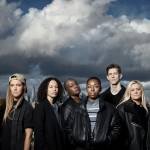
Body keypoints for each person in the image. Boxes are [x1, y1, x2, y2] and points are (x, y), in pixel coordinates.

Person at [86, 76, 122, 150]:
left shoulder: (109, 108)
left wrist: (107, 140)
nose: (92, 89)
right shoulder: (79, 107)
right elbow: (69, 127)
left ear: (100, 89)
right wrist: (76, 140)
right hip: (82, 147)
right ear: (86, 88)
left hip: (103, 147)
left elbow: (117, 127)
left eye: (96, 86)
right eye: (89, 86)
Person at [1, 73, 33, 150]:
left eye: (18, 85)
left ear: (24, 87)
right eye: (12, 85)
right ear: (9, 88)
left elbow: (28, 135)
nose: (15, 88)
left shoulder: (27, 107)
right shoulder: (4, 105)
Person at [117, 80, 150, 150]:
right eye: (132, 90)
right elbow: (118, 133)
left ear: (142, 91)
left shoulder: (147, 108)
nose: (135, 92)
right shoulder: (123, 108)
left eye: (138, 89)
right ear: (129, 92)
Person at [34, 77, 65, 150]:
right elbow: (39, 133)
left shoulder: (58, 107)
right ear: (45, 89)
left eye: (56, 87)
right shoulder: (41, 107)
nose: (54, 89)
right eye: (51, 87)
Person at [61, 78, 87, 150]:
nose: (75, 86)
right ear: (67, 91)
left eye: (76, 84)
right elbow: (66, 130)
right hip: (77, 146)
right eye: (71, 86)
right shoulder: (67, 106)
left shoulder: (84, 102)